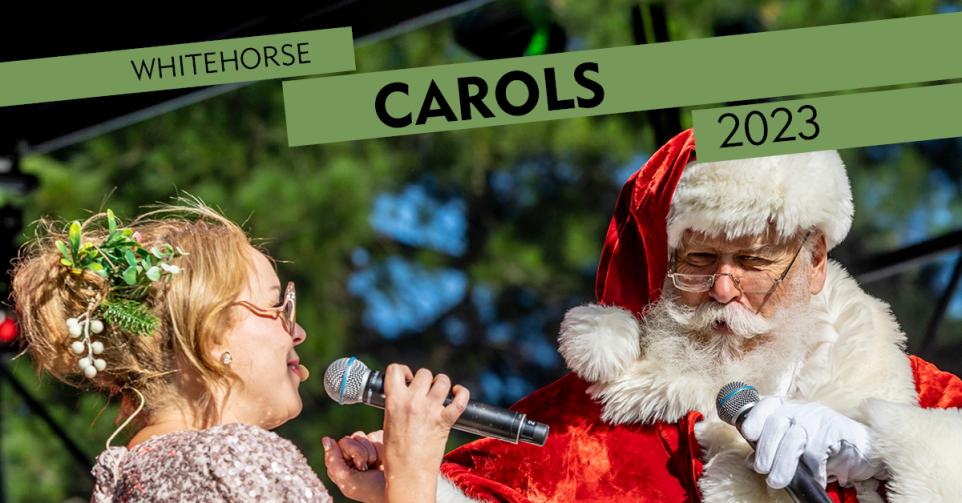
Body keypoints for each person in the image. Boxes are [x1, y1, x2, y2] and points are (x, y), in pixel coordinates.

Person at [328, 129, 962, 502]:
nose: (721, 287)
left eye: (753, 260)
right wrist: (416, 484)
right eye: (699, 259)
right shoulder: (582, 429)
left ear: (816, 257)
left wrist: (884, 451)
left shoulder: (928, 399)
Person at [11, 203, 468, 502]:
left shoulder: (131, 475)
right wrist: (412, 476)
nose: (300, 331)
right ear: (211, 335)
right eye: (277, 307)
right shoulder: (234, 461)